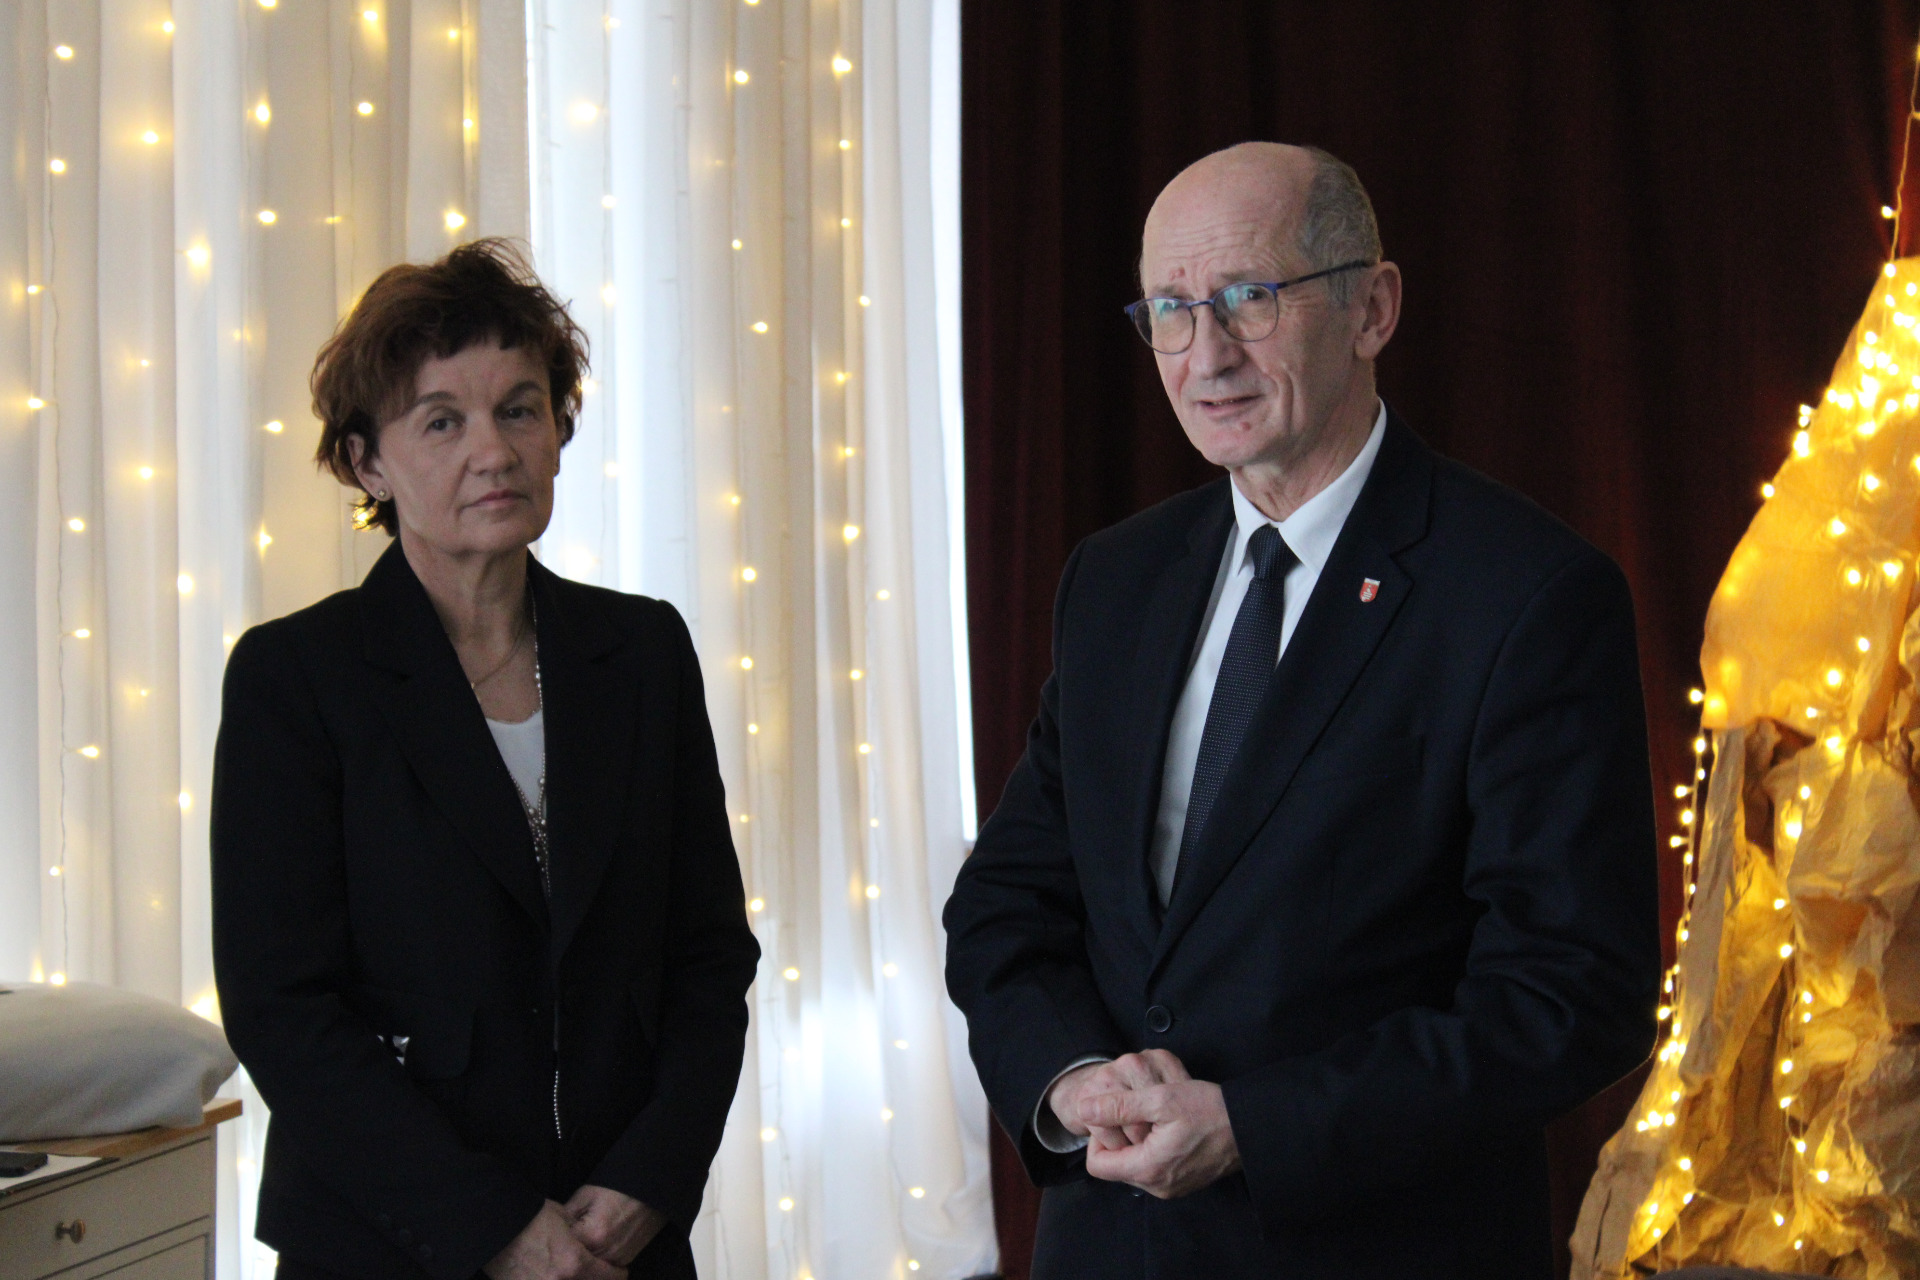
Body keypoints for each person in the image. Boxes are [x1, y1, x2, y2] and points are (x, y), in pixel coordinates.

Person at [943, 142, 1661, 1278]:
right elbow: (1007, 902)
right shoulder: (1116, 580)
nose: (1207, 354)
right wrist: (1072, 1081)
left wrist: (1258, 1126)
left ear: (1373, 309)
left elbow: (1575, 991)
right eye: (1171, 310)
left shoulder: (1527, 593)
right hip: (1113, 1245)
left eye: (1248, 298)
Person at [211, 239, 759, 1280]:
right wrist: (498, 1225)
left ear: (558, 428)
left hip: (619, 1235)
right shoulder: (296, 677)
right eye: (442, 421)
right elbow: (284, 1010)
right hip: (392, 1243)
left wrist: (652, 1176)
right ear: (367, 463)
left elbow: (708, 954)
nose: (494, 451)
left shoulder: (642, 650)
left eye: (519, 408)